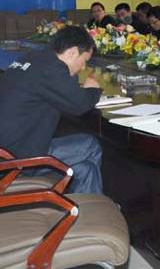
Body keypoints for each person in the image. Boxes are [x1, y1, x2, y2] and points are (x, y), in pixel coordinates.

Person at [0, 25, 104, 194]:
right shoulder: (51, 68)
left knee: (86, 169)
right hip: (16, 158)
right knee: (90, 145)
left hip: (9, 148)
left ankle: (90, 206)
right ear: (72, 52)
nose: (83, 68)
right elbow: (78, 104)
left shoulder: (32, 58)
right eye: (84, 61)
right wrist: (93, 90)